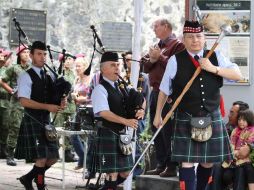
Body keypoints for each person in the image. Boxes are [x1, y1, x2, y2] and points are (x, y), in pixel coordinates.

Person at [153, 20, 243, 190]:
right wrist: (158, 115)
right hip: (186, 115)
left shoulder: (216, 56)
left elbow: (237, 74)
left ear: (204, 38)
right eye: (190, 37)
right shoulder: (175, 60)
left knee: (208, 162)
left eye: (198, 36)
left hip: (211, 115)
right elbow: (164, 90)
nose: (195, 40)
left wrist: (213, 68)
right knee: (186, 162)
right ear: (183, 39)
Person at [14, 41, 66, 190]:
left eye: (44, 54)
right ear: (31, 55)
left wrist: (60, 101)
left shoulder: (48, 76)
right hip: (32, 119)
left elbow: (51, 98)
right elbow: (24, 101)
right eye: (39, 54)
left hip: (46, 121)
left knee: (54, 157)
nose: (43, 57)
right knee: (42, 158)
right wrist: (47, 107)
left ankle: (28, 178)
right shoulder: (26, 76)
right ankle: (41, 185)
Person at [91, 51, 145, 190]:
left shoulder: (122, 87)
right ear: (103, 69)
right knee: (112, 173)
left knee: (126, 172)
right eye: (113, 65)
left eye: (118, 65)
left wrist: (141, 109)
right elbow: (103, 112)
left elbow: (141, 98)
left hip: (121, 135)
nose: (117, 68)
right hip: (107, 133)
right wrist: (125, 121)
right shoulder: (100, 89)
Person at [141, 18, 185, 177]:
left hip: (169, 93)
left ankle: (172, 165)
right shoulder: (157, 46)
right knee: (155, 128)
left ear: (166, 26)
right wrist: (152, 59)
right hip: (155, 91)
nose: (154, 29)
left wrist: (159, 57)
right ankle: (161, 163)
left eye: (156, 26)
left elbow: (178, 68)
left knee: (167, 129)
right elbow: (144, 66)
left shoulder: (178, 45)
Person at [1, 44, 30, 166]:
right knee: (14, 128)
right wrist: (12, 91)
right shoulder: (14, 68)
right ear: (19, 54)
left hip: (29, 103)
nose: (27, 54)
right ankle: (10, 154)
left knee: (28, 128)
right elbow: (2, 81)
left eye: (28, 52)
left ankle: (28, 154)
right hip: (16, 104)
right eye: (24, 52)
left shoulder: (31, 68)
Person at [123, 51, 150, 176]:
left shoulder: (143, 77)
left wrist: (141, 112)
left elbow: (143, 98)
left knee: (136, 141)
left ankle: (137, 171)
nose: (129, 62)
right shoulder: (124, 77)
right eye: (127, 60)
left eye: (131, 59)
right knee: (127, 141)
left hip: (139, 116)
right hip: (126, 116)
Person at [221, 109, 254, 190]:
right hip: (233, 159)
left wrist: (238, 153)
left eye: (244, 120)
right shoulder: (235, 130)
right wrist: (234, 153)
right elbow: (231, 144)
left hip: (245, 159)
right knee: (226, 176)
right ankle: (230, 187)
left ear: (249, 120)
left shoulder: (252, 130)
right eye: (239, 119)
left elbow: (246, 147)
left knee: (248, 171)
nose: (241, 122)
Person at [54, 53, 77, 162]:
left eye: (70, 59)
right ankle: (53, 152)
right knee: (57, 129)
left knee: (69, 131)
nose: (68, 61)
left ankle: (68, 153)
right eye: (66, 59)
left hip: (70, 106)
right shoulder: (58, 72)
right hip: (60, 105)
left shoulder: (73, 74)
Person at [70, 56, 91, 170]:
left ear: (85, 66)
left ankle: (87, 163)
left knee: (89, 136)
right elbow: (75, 95)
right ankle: (83, 157)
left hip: (88, 110)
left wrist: (83, 99)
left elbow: (93, 96)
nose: (77, 68)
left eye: (79, 66)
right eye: (76, 66)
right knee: (73, 135)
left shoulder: (90, 79)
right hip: (78, 110)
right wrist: (74, 96)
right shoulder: (76, 79)